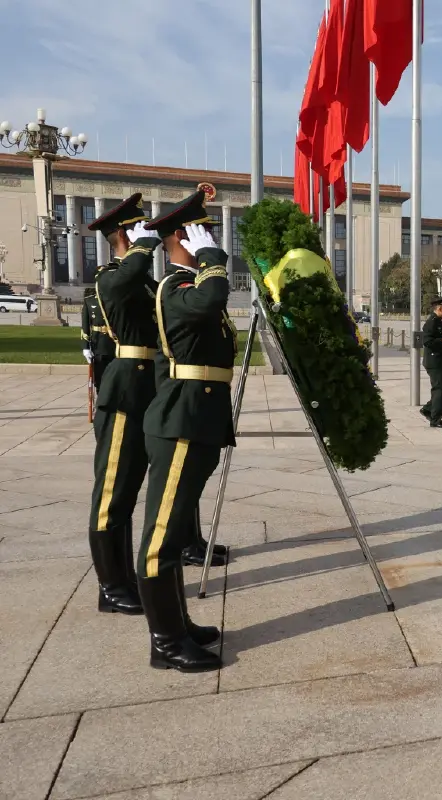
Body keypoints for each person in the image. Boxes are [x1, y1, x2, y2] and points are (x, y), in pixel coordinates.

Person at [137, 191, 236, 671]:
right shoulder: (174, 288)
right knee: (162, 537)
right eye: (203, 230)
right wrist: (212, 259)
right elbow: (214, 294)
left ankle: (178, 624)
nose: (211, 237)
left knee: (175, 534)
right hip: (180, 423)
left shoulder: (189, 287)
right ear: (182, 235)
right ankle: (166, 642)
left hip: (196, 421)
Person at [83, 194, 161, 617]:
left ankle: (123, 578)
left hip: (145, 387)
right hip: (123, 391)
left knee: (128, 490)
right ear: (126, 235)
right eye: (140, 229)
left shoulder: (142, 281)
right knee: (111, 491)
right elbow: (128, 276)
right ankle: (110, 585)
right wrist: (144, 245)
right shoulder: (112, 277)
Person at [420, 297, 442, 429]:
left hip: (438, 360)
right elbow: (427, 341)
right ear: (439, 309)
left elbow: (438, 339)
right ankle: (435, 419)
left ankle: (428, 409)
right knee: (440, 388)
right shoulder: (431, 322)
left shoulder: (439, 320)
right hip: (433, 361)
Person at [81, 287, 115, 393]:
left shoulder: (116, 299)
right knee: (99, 378)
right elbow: (85, 325)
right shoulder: (90, 300)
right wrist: (85, 347)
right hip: (98, 343)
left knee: (115, 378)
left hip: (115, 343)